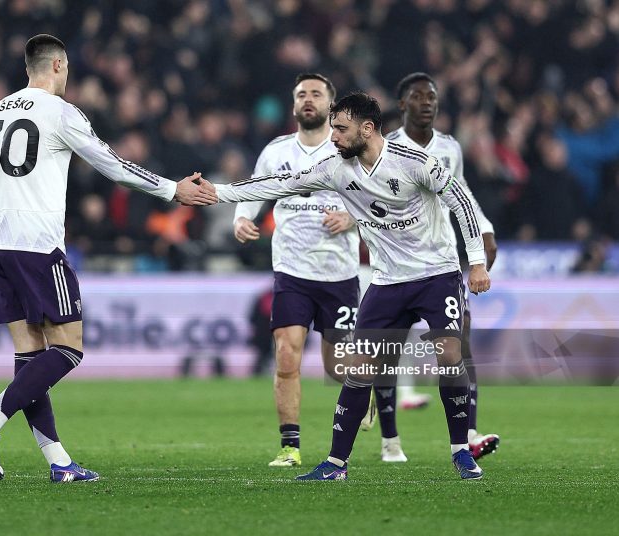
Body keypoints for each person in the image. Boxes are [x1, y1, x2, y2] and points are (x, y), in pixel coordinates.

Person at [0, 34, 216, 483]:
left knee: (31, 355)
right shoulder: (60, 112)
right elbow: (112, 163)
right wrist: (172, 189)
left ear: (28, 68)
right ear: (58, 65)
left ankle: (59, 463)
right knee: (68, 349)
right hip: (37, 242)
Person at [210, 92, 491, 480]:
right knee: (359, 369)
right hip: (387, 281)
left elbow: (460, 200)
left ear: (368, 128)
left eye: (340, 129)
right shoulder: (336, 168)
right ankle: (336, 463)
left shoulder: (412, 162)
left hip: (436, 275)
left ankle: (461, 450)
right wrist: (219, 194)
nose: (334, 137)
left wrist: (475, 263)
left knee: (448, 354)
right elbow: (276, 184)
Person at [362, 73, 500, 462]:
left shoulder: (450, 148)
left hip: (439, 264)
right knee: (386, 353)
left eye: (432, 96)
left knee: (459, 343)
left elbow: (461, 194)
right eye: (417, 96)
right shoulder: (384, 148)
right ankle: (390, 440)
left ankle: (468, 434)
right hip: (395, 267)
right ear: (402, 104)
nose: (427, 102)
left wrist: (484, 231)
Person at [234, 73, 360, 467]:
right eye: (302, 94)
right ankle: (290, 447)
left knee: (337, 367)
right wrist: (241, 218)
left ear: (331, 106)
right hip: (291, 270)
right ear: (293, 105)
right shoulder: (276, 151)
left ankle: (364, 396)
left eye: (316, 94)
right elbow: (255, 190)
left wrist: (352, 218)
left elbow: (382, 199)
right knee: (286, 356)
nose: (308, 99)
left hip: (338, 271)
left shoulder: (349, 150)